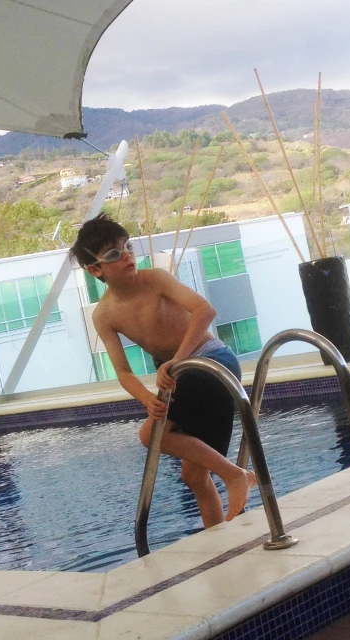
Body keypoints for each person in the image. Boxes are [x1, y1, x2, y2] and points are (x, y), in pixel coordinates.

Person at [70, 214, 256, 526]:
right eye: (115, 254)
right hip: (183, 376)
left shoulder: (154, 279)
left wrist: (176, 360)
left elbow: (204, 310)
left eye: (128, 246)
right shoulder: (104, 315)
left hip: (212, 361)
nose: (128, 255)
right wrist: (146, 398)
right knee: (194, 476)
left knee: (149, 435)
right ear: (95, 269)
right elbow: (124, 372)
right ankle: (226, 542)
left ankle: (235, 475)